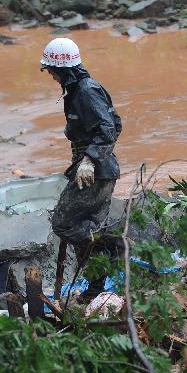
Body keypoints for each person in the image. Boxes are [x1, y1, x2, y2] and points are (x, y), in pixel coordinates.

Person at [40, 37, 123, 272]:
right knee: (87, 228)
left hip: (95, 173)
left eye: (52, 71)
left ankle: (114, 250)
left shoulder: (86, 91)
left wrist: (90, 159)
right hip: (98, 171)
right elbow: (115, 123)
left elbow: (109, 128)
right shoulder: (78, 91)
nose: (52, 76)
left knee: (63, 223)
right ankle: (97, 284)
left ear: (62, 69)